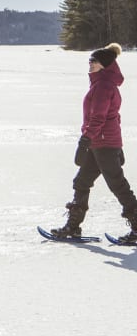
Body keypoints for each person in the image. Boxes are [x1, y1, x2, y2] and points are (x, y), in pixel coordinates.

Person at [51, 42, 137, 242]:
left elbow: (98, 117)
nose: (89, 64)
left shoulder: (104, 86)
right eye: (89, 61)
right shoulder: (102, 84)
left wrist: (85, 140)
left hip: (103, 143)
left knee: (117, 185)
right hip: (102, 142)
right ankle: (73, 227)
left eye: (94, 61)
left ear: (104, 64)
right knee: (81, 182)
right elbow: (114, 117)